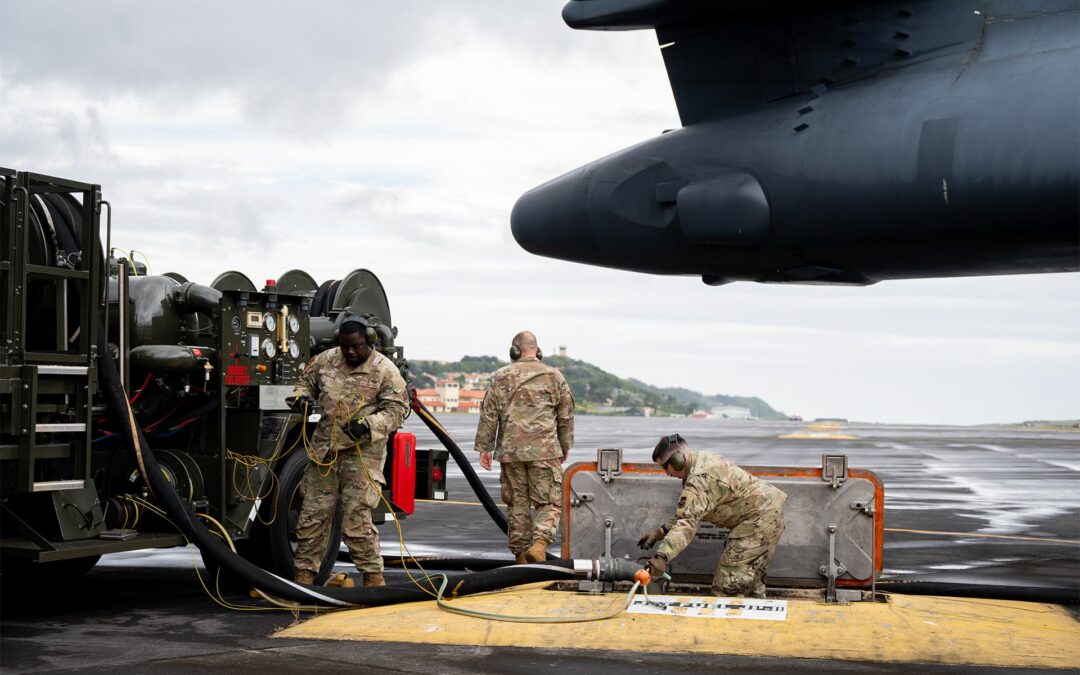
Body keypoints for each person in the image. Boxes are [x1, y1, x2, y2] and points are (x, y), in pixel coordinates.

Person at [286, 316, 407, 587]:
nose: (351, 351)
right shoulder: (325, 360)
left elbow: (398, 410)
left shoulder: (384, 370)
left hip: (362, 455)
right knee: (311, 518)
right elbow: (304, 384)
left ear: (370, 342)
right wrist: (301, 398)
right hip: (324, 453)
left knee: (356, 520)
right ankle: (304, 578)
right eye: (346, 346)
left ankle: (373, 580)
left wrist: (368, 425)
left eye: (358, 346)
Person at [637, 434, 787, 598]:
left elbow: (687, 523)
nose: (666, 473)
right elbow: (690, 512)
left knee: (727, 588)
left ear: (677, 461)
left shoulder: (700, 479)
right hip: (763, 520)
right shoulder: (702, 460)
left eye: (665, 467)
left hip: (757, 525)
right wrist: (660, 532)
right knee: (750, 585)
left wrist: (661, 557)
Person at [474, 331, 574, 564]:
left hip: (511, 452)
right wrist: (565, 444)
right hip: (545, 450)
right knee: (548, 501)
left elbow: (488, 414)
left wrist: (485, 448)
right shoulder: (554, 376)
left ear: (514, 351)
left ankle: (520, 556)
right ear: (537, 351)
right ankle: (539, 545)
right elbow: (565, 416)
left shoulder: (500, 376)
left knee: (517, 503)